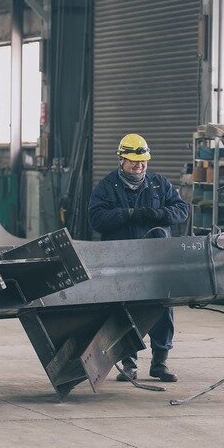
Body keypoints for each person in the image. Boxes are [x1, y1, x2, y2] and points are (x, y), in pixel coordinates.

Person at [89, 133, 189, 382]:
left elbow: (181, 210)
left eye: (142, 161)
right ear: (121, 159)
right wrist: (129, 214)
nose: (139, 165)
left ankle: (160, 363)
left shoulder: (159, 184)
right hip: (123, 260)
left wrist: (158, 214)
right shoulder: (106, 186)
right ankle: (129, 363)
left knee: (162, 309)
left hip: (157, 259)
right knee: (126, 310)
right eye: (133, 161)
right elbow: (96, 219)